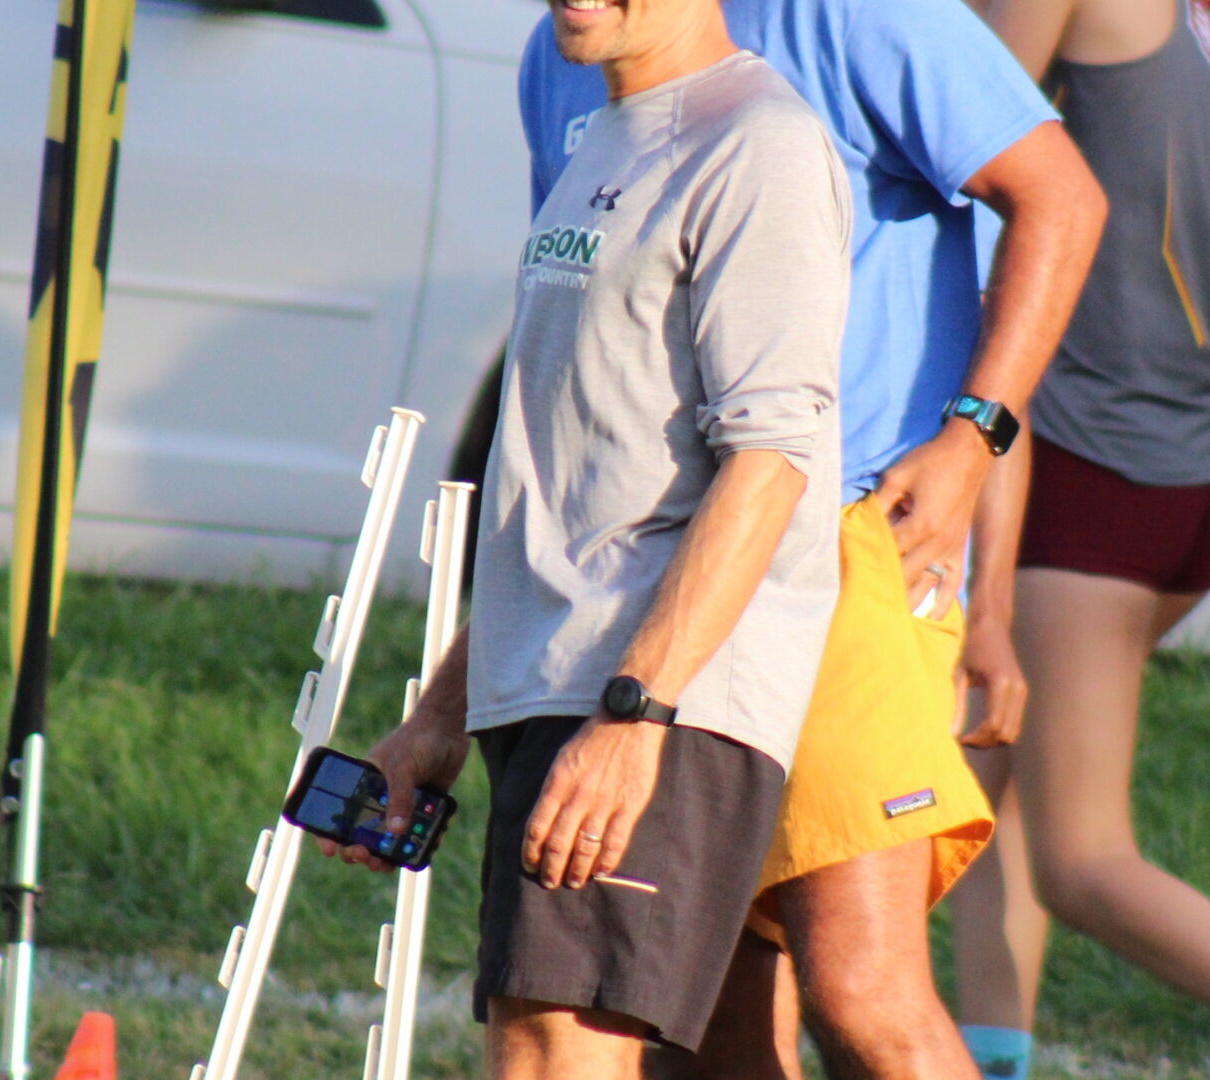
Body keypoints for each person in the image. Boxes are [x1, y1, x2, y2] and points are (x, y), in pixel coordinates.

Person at [519, 2, 1105, 1077]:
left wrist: (974, 438)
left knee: (861, 987)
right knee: (696, 1015)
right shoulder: (568, 48)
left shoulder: (859, 15)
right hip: (662, 579)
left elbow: (1062, 197)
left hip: (845, 541)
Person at [320, 0, 855, 1076]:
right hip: (567, 685)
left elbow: (770, 463)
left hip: (652, 698)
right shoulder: (606, 134)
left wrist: (637, 714)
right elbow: (569, 489)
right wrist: (440, 714)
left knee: (554, 1048)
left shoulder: (762, 144)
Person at [948, 1, 1210, 1075]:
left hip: (1100, 469)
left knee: (1081, 857)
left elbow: (950, 139)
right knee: (985, 783)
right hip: (1199, 468)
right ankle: (991, 1058)